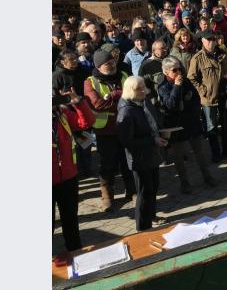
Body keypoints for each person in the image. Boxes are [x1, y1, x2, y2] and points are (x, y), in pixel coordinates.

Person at [83, 49, 135, 212]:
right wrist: (119, 97)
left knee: (128, 162)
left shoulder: (124, 75)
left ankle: (132, 191)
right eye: (107, 64)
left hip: (125, 126)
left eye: (112, 62)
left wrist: (114, 95)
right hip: (105, 130)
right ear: (98, 67)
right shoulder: (90, 82)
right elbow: (97, 104)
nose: (112, 66)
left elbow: (133, 95)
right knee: (108, 165)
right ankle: (107, 197)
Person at [157, 57, 218, 194]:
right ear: (166, 72)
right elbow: (171, 105)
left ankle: (207, 176)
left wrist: (186, 105)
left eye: (180, 68)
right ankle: (184, 183)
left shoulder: (186, 81)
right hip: (176, 126)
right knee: (178, 156)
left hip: (191, 122)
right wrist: (177, 87)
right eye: (174, 70)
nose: (179, 72)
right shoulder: (163, 87)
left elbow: (196, 99)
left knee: (200, 152)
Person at [117, 76, 168, 231]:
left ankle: (151, 217)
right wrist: (152, 141)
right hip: (139, 159)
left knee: (153, 188)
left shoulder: (139, 103)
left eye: (143, 87)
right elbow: (127, 141)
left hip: (150, 155)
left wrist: (157, 135)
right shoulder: (126, 112)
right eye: (139, 88)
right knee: (144, 193)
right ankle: (143, 228)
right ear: (130, 90)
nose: (144, 90)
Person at [51, 84, 95, 258]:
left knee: (70, 220)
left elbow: (86, 122)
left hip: (68, 177)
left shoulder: (62, 114)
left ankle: (76, 253)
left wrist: (78, 103)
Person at [187, 30, 227, 162]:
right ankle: (216, 153)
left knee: (226, 124)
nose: (211, 42)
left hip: (224, 95)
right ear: (203, 41)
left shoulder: (223, 54)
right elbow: (191, 78)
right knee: (211, 127)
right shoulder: (197, 58)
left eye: (213, 39)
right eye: (208, 40)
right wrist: (202, 90)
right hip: (208, 98)